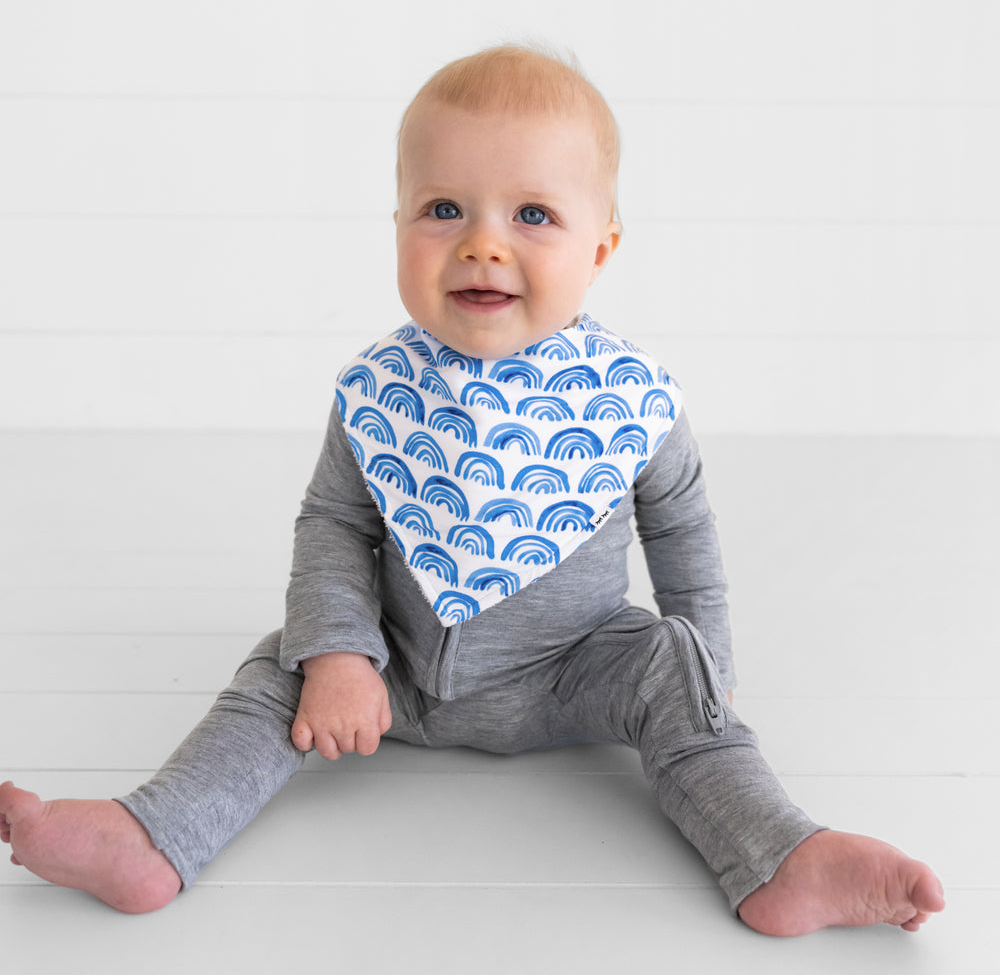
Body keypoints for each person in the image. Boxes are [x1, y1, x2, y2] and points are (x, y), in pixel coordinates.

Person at [0, 45, 944, 936]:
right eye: (444, 209)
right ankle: (156, 835)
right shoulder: (380, 389)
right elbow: (332, 522)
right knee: (276, 667)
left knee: (675, 667)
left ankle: (782, 856)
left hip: (579, 669)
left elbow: (684, 533)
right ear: (399, 225)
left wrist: (714, 674)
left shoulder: (629, 399)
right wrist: (338, 654)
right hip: (394, 669)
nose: (483, 246)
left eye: (532, 216)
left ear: (603, 247)